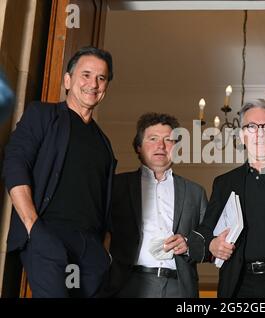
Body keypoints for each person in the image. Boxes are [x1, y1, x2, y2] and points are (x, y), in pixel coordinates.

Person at [2, 46, 116, 298]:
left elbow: (104, 200)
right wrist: (34, 227)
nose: (93, 84)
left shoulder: (104, 143)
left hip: (91, 250)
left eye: (101, 78)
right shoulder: (42, 114)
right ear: (68, 80)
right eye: (85, 74)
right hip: (49, 235)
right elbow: (15, 163)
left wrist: (103, 248)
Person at [196, 99, 265, 298]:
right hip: (238, 285)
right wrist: (212, 244)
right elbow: (206, 230)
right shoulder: (224, 183)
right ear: (242, 136)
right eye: (252, 127)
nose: (260, 134)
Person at [102, 113, 208, 298]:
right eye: (153, 139)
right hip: (128, 285)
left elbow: (209, 243)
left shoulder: (196, 192)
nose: (161, 146)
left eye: (169, 140)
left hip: (180, 288)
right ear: (138, 147)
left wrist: (189, 244)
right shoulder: (116, 186)